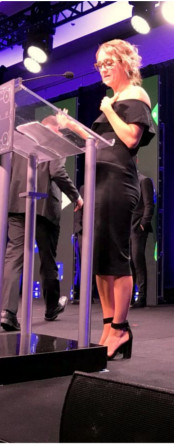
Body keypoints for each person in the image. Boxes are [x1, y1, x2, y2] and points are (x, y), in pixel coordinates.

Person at [90, 39, 155, 359]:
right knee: (100, 260)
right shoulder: (113, 99)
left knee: (116, 257)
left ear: (126, 63)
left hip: (118, 183)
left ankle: (120, 328)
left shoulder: (135, 95)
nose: (102, 68)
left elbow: (130, 139)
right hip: (99, 183)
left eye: (108, 62)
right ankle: (107, 325)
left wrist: (106, 109)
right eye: (99, 64)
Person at [1, 115, 83, 331]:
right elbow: (57, 172)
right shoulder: (53, 142)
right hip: (44, 208)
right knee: (48, 259)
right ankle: (51, 307)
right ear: (55, 130)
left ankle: (7, 312)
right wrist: (76, 196)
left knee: (13, 257)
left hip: (17, 204)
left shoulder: (21, 141)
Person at [130, 172, 155, 308]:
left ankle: (142, 296)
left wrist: (143, 224)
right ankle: (129, 296)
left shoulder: (144, 180)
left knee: (137, 260)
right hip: (125, 226)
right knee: (128, 262)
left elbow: (149, 204)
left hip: (137, 226)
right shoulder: (126, 179)